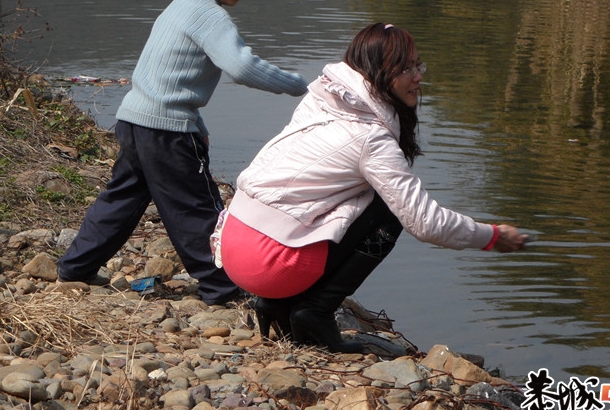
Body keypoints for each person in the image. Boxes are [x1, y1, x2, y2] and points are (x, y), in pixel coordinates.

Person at [218, 22, 529, 352]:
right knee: (391, 211)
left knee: (356, 194)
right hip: (269, 263)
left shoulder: (322, 98)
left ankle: (276, 304)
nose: (419, 76)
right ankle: (315, 310)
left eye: (418, 65)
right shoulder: (372, 138)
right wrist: (492, 237)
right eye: (407, 68)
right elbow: (425, 224)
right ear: (380, 72)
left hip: (232, 242)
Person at [57, 0, 309, 306]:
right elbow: (241, 67)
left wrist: (197, 125)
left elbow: (166, 77)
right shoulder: (211, 17)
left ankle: (74, 267)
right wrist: (302, 86)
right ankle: (222, 288)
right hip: (166, 132)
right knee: (196, 208)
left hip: (136, 120)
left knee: (121, 200)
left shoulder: (182, 5)